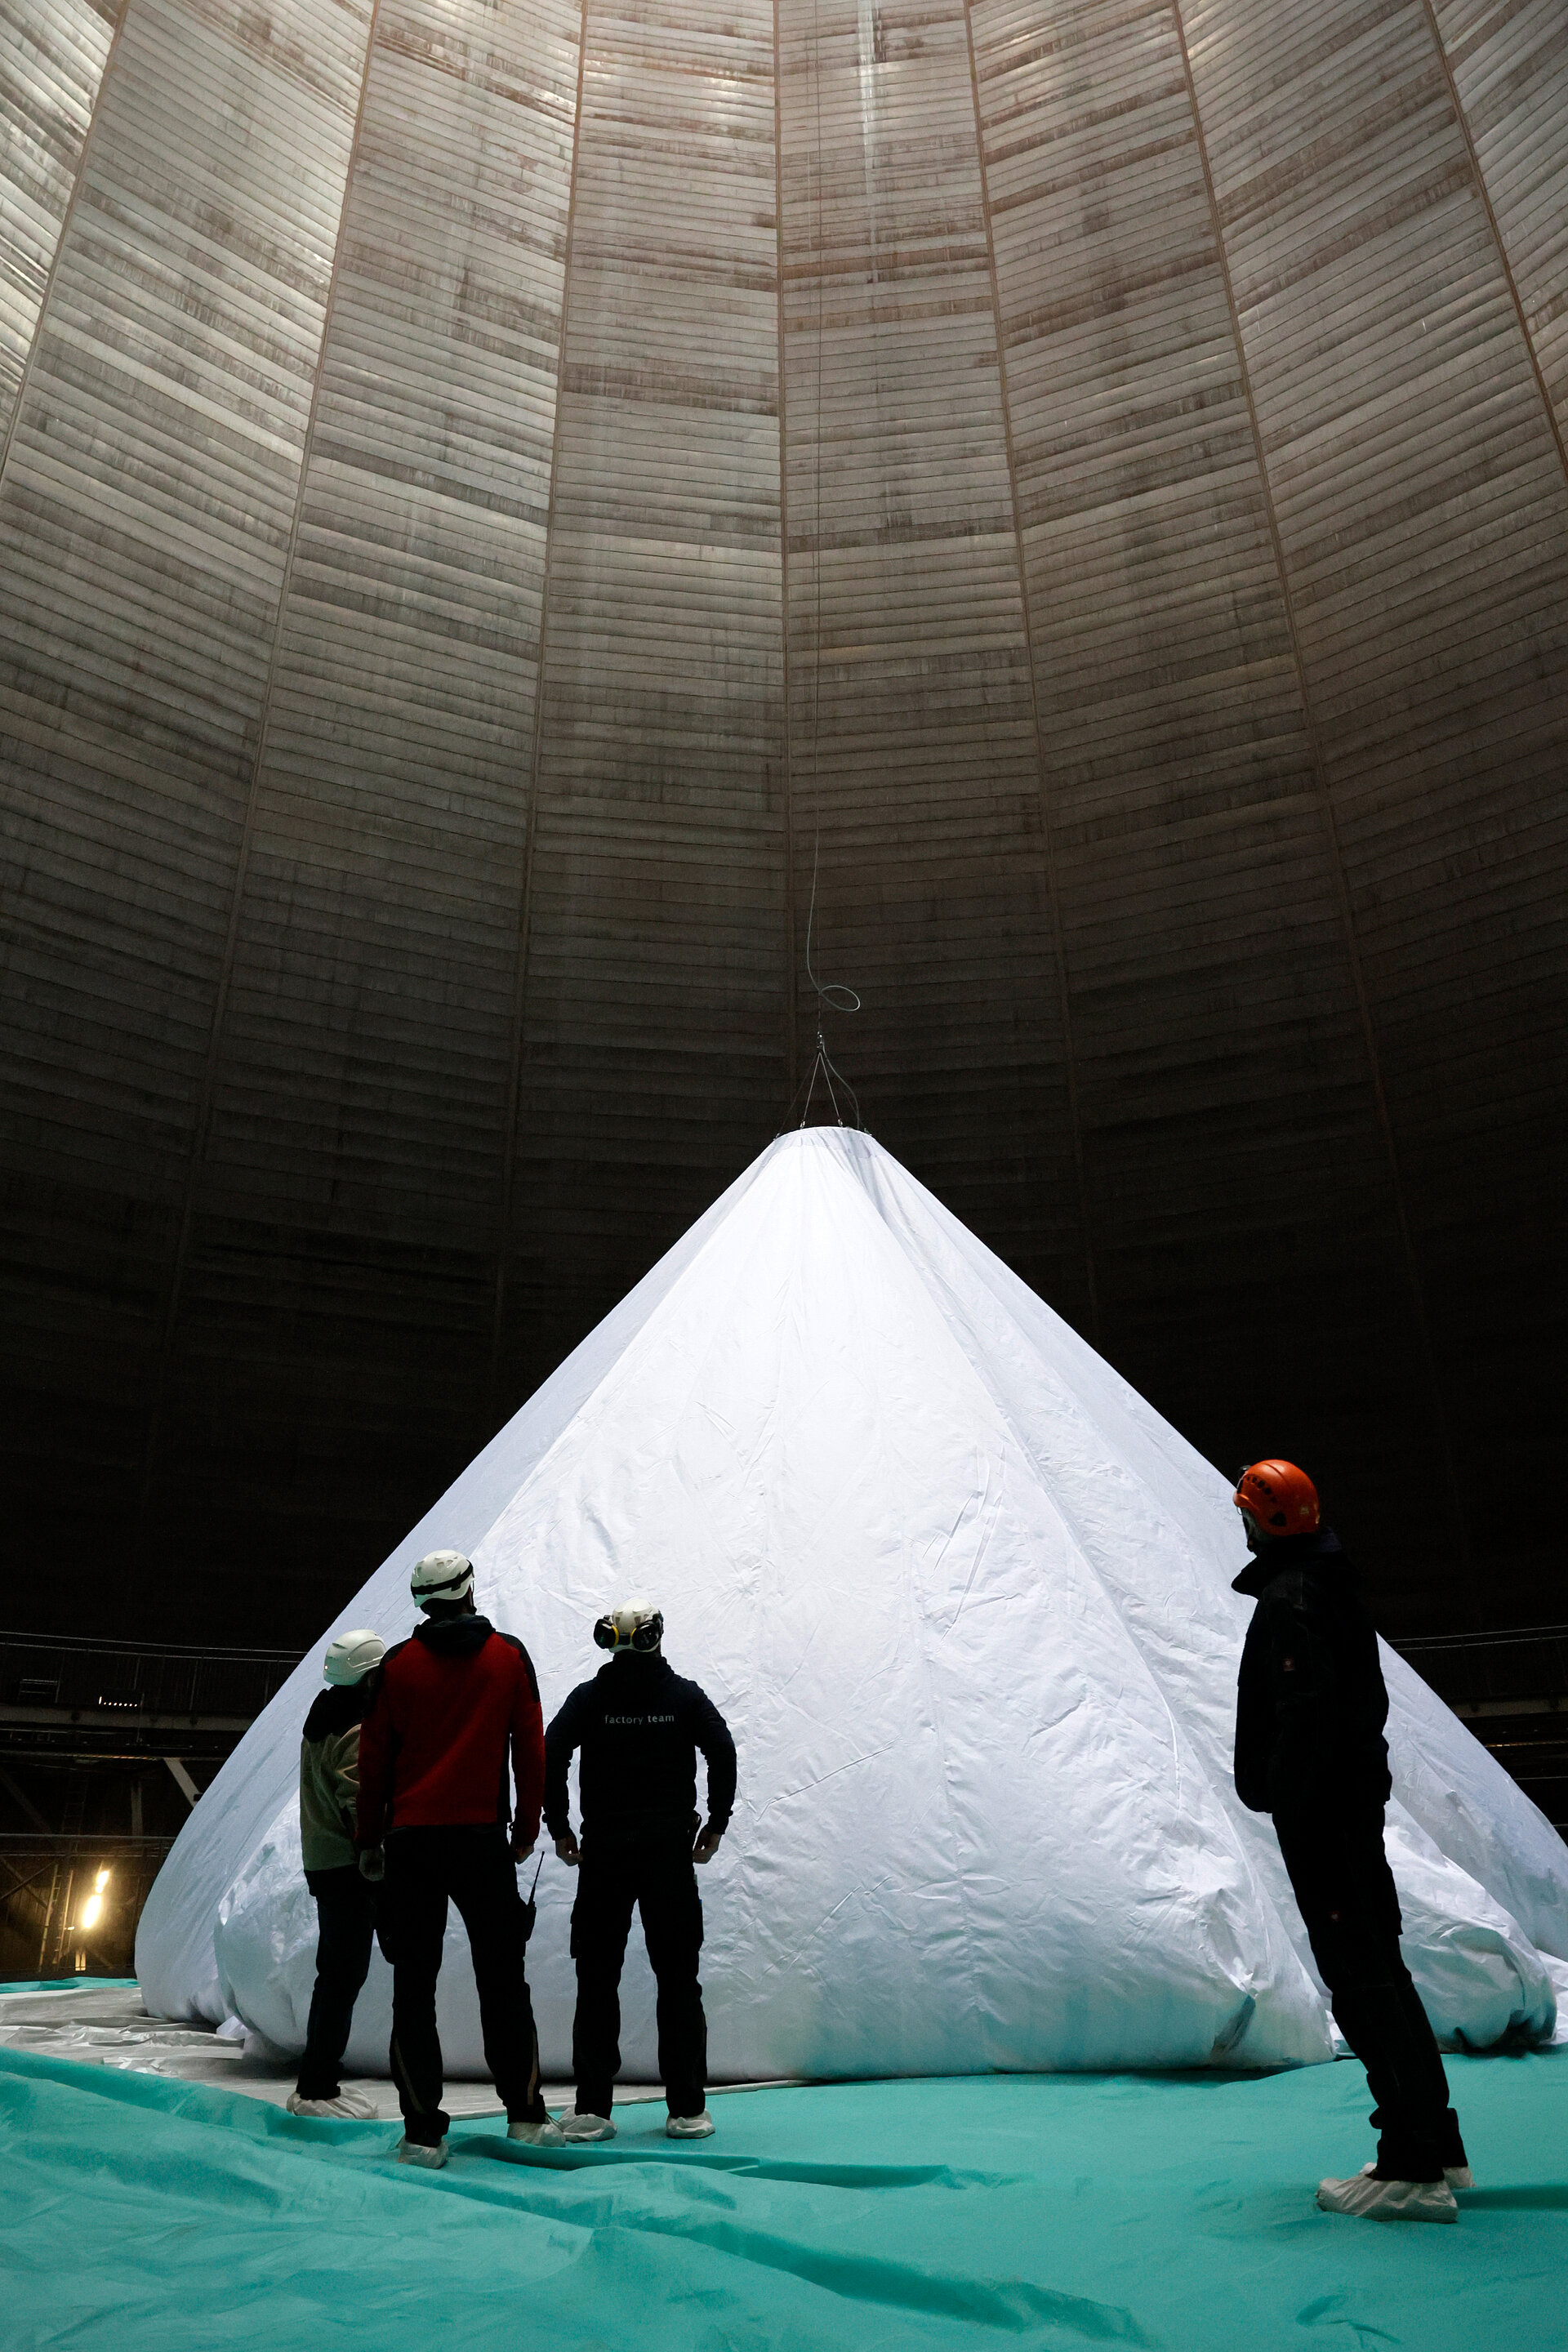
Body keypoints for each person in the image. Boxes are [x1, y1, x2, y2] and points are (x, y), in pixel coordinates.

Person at [1231, 1459, 1471, 2221]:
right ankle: (1434, 2139)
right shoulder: (1328, 1586)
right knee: (1381, 1973)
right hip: (1346, 1812)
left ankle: (1413, 2165)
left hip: (1326, 1820)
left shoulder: (1293, 1598)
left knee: (1363, 1980)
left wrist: (1284, 1796)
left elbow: (1307, 1716)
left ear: (1262, 1522)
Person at [356, 1548, 562, 2166]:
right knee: (503, 1983)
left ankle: (423, 2133)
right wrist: (526, 1829)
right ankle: (525, 2115)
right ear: (470, 1589)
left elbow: (374, 1764)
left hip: (412, 1846)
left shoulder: (396, 1667)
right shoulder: (508, 1659)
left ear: (421, 1601)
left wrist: (369, 1841)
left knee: (411, 1990)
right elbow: (531, 1753)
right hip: (481, 1842)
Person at [545, 1597, 736, 2143]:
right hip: (669, 1861)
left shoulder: (590, 1699)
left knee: (596, 1981)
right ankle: (688, 2108)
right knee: (679, 1980)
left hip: (604, 1858)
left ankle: (592, 2109)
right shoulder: (682, 1696)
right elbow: (723, 1751)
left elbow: (550, 1752)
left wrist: (558, 1826)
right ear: (656, 1637)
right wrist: (716, 1823)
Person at [287, 1627, 388, 2118]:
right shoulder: (355, 1728)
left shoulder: (321, 1718)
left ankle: (319, 2079)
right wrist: (379, 1859)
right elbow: (358, 1800)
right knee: (344, 1977)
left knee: (335, 1976)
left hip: (325, 1863)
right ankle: (318, 2086)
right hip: (351, 1869)